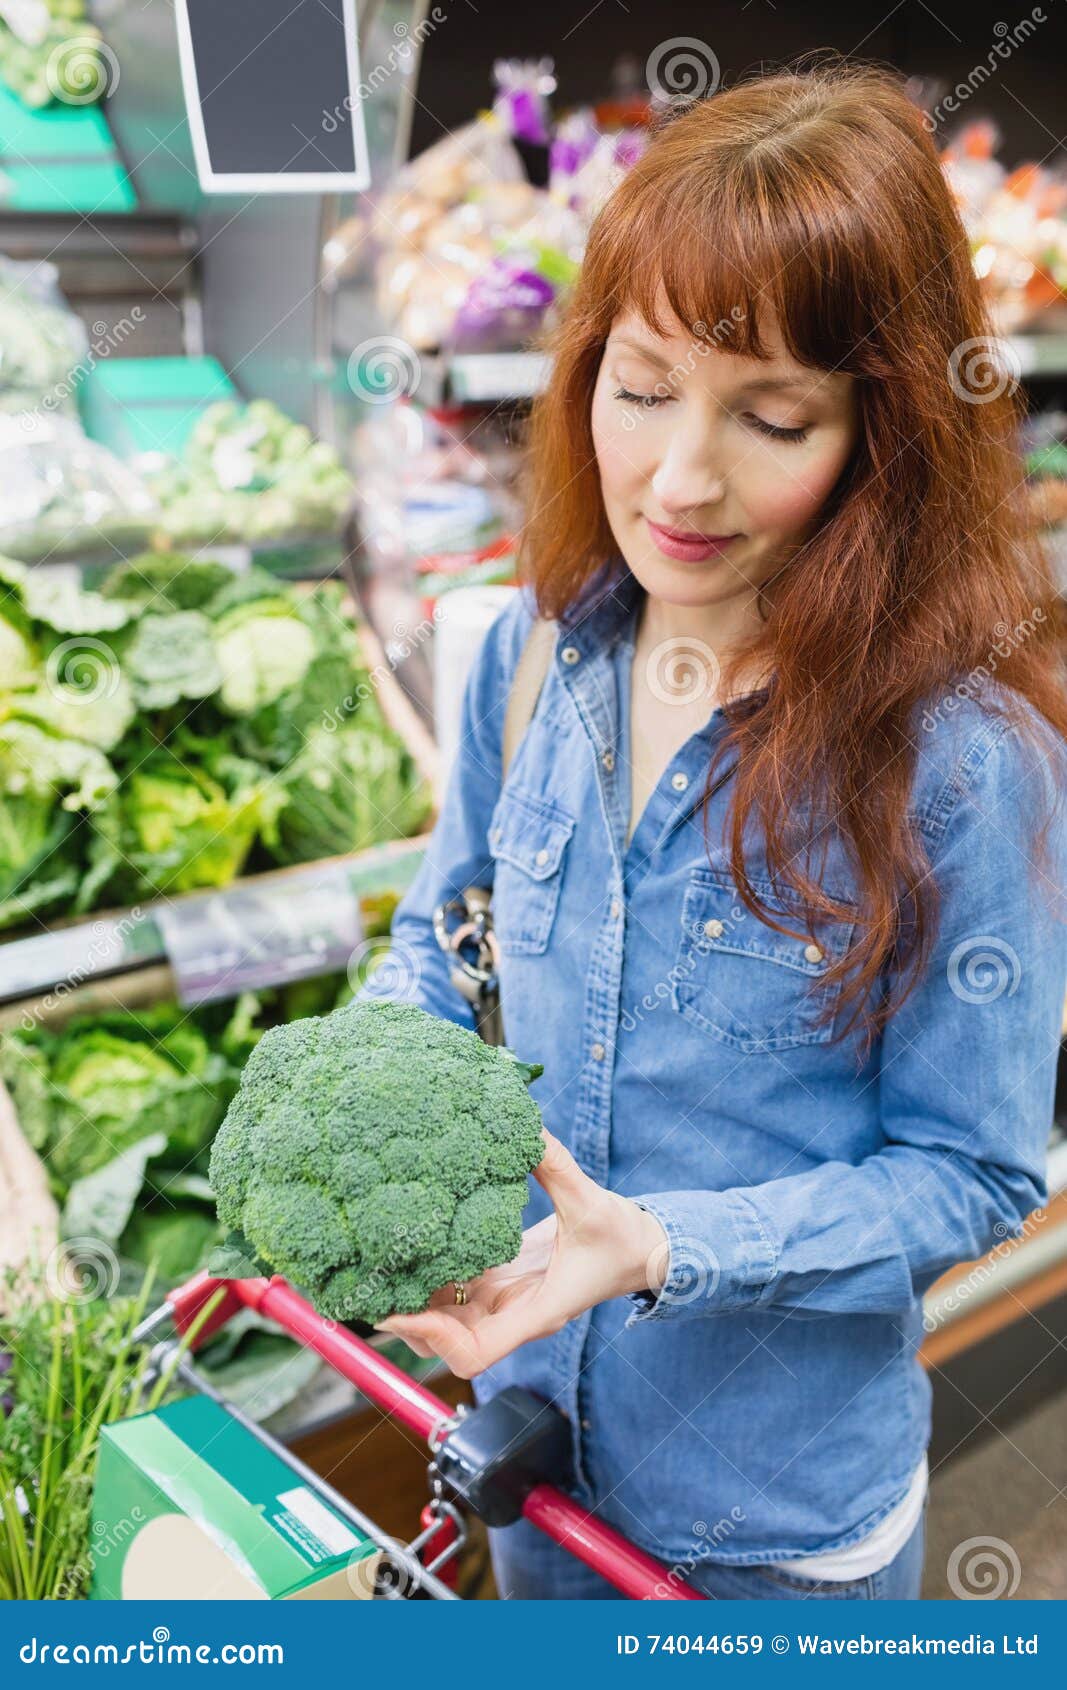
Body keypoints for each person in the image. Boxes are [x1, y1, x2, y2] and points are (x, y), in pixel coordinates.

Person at [360, 61, 1067, 1599]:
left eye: (772, 415)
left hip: (768, 1537)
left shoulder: (966, 764)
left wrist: (664, 1245)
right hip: (526, 1461)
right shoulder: (533, 652)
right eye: (642, 383)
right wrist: (374, 1106)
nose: (680, 478)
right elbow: (441, 930)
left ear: (880, 438)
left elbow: (973, 1172)